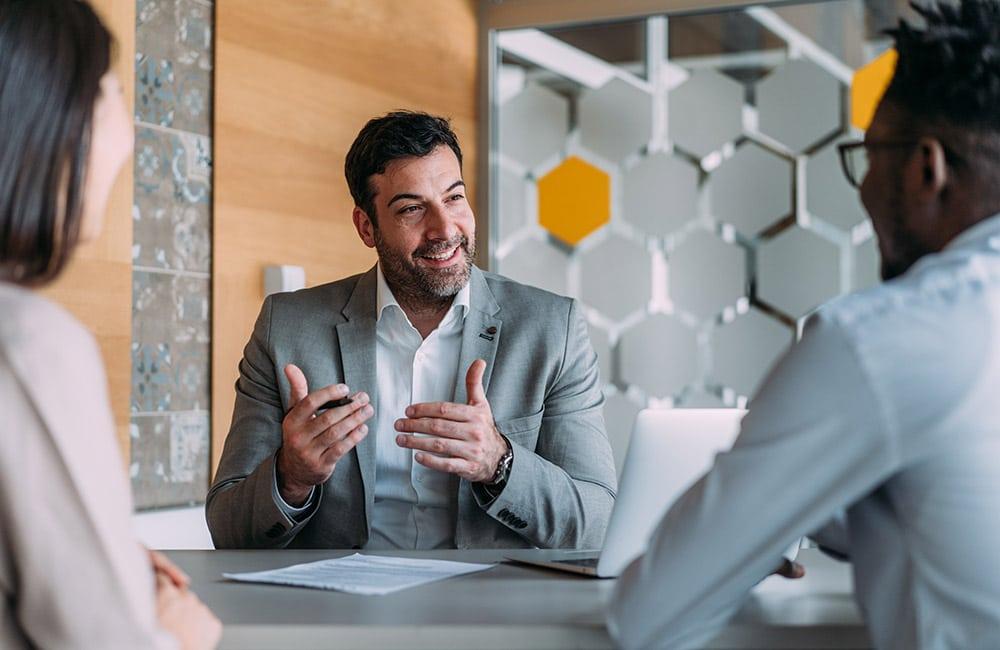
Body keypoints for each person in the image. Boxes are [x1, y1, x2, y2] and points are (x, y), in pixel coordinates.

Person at [608, 2, 1000, 648]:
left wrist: (734, 538)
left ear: (926, 169)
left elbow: (646, 618)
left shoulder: (877, 340)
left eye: (869, 157)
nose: (864, 187)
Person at [207, 111, 617, 550]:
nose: (444, 229)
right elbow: (229, 530)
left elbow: (596, 523)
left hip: (487, 606)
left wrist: (499, 462)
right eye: (411, 209)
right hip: (341, 608)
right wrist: (291, 477)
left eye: (454, 198)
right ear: (367, 227)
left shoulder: (552, 328)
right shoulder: (286, 328)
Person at [0, 1, 221, 648]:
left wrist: (111, 564)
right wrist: (170, 632)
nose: (127, 131)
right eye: (110, 91)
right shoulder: (30, 346)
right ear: (42, 117)